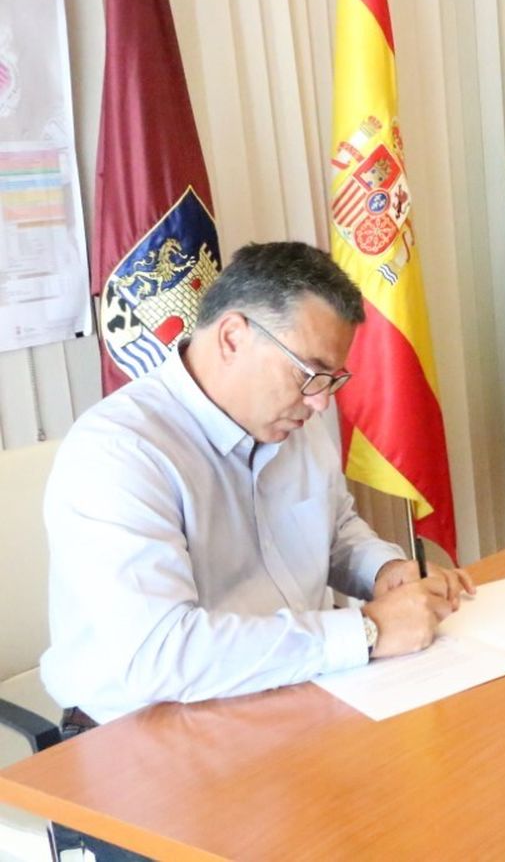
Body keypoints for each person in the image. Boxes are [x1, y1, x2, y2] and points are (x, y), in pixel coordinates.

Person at [41, 241, 475, 730]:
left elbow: (334, 530)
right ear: (231, 338)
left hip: (286, 693)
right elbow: (160, 654)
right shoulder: (121, 454)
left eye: (331, 380)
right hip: (145, 730)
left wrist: (385, 569)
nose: (320, 405)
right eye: (310, 373)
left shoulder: (292, 418)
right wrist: (368, 631)